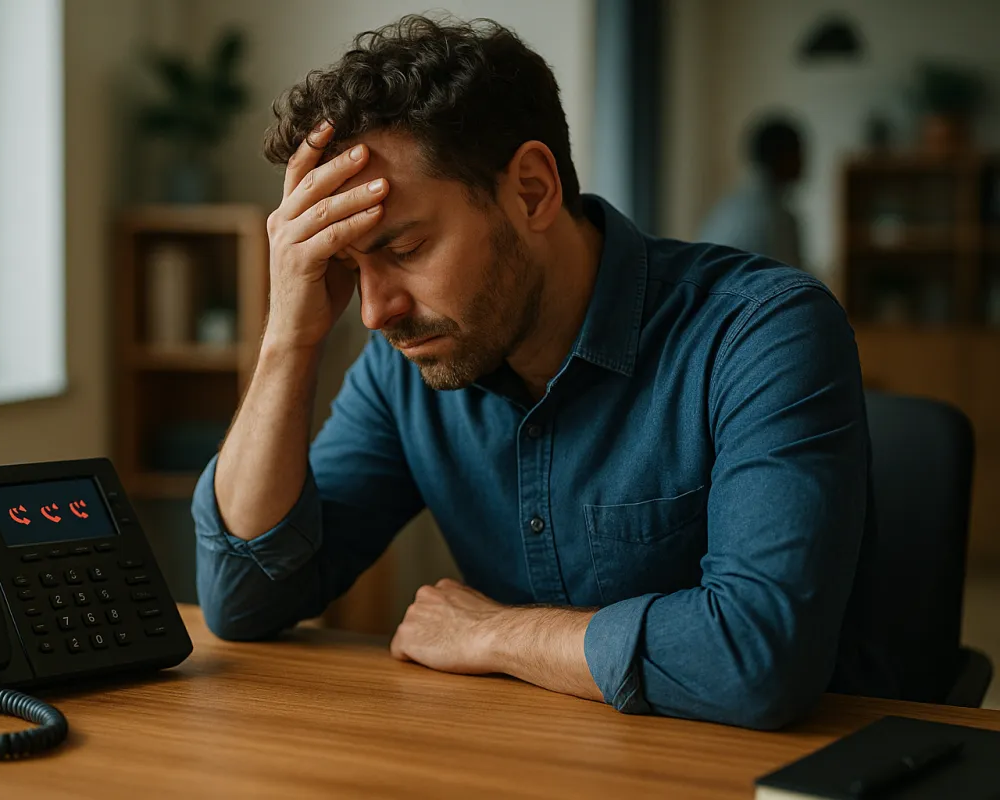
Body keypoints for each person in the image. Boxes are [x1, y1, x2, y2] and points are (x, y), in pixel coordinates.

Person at [192, 15, 890, 730]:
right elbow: (246, 599)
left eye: (404, 248)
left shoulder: (761, 331)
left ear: (530, 190)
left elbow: (757, 658)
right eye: (348, 266)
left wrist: (494, 633)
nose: (373, 311)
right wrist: (287, 338)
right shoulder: (404, 370)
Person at [696, 116, 807, 270]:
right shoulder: (775, 217)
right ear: (782, 157)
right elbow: (794, 284)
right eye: (799, 153)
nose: (804, 162)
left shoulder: (728, 205)